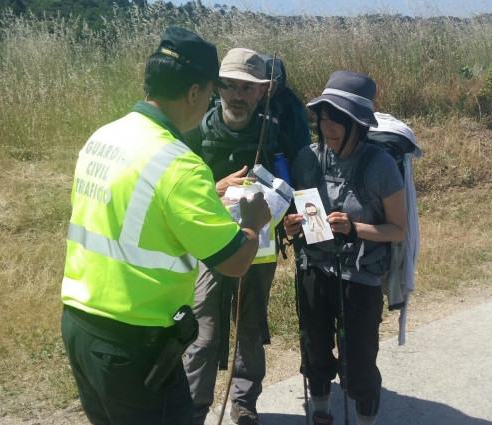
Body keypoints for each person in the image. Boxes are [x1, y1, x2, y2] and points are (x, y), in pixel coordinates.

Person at [60, 27, 271, 425]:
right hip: (135, 343)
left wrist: (208, 192)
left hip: (79, 325)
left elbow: (136, 213)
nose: (211, 102)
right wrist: (254, 224)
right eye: (212, 93)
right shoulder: (178, 164)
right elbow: (234, 263)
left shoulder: (103, 137)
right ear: (194, 92)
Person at [182, 47, 309, 425]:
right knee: (203, 331)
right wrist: (215, 188)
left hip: (261, 250)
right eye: (229, 86)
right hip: (208, 247)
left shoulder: (276, 134)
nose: (237, 95)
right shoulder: (196, 134)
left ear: (263, 91)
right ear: (217, 87)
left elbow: (294, 189)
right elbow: (176, 192)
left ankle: (244, 403)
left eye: (247, 88)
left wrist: (292, 221)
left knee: (250, 327)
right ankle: (195, 408)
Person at [283, 71, 407, 425]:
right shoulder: (308, 159)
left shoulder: (379, 166)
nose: (328, 126)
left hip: (361, 278)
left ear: (358, 123)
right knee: (315, 350)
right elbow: (303, 213)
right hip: (315, 269)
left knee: (359, 362)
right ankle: (321, 415)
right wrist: (292, 226)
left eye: (338, 118)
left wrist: (355, 228)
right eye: (323, 117)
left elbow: (397, 229)